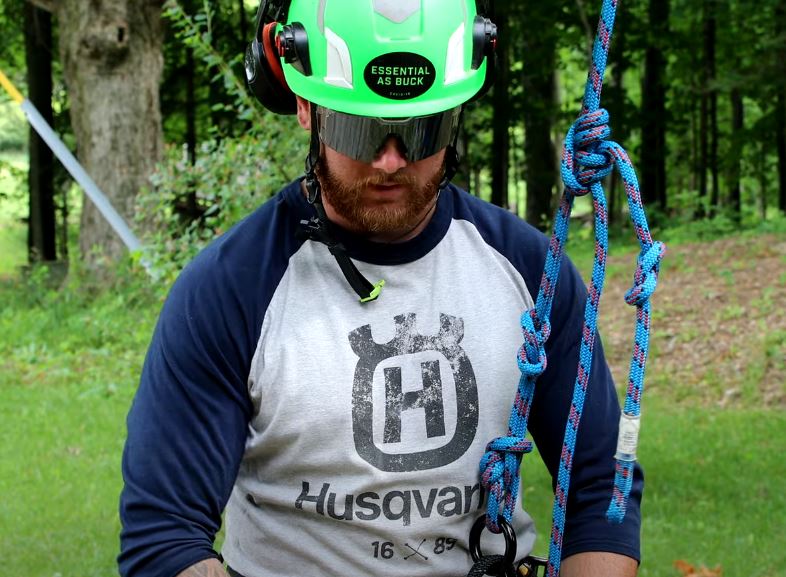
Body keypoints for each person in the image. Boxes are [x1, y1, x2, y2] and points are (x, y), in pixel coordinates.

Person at [118, 1, 643, 576]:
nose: (390, 161)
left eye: (420, 131)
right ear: (305, 106)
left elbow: (602, 486)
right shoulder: (231, 289)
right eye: (360, 128)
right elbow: (165, 538)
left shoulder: (530, 271)